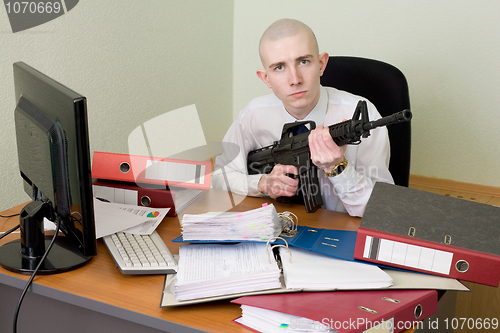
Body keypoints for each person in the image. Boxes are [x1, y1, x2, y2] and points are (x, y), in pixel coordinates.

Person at [212, 18, 393, 217]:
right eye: (279, 67)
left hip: (341, 232)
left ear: (322, 64)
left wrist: (337, 168)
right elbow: (221, 176)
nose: (295, 80)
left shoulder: (360, 115)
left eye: (304, 61)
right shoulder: (253, 115)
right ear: (266, 78)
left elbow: (381, 209)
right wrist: (262, 183)